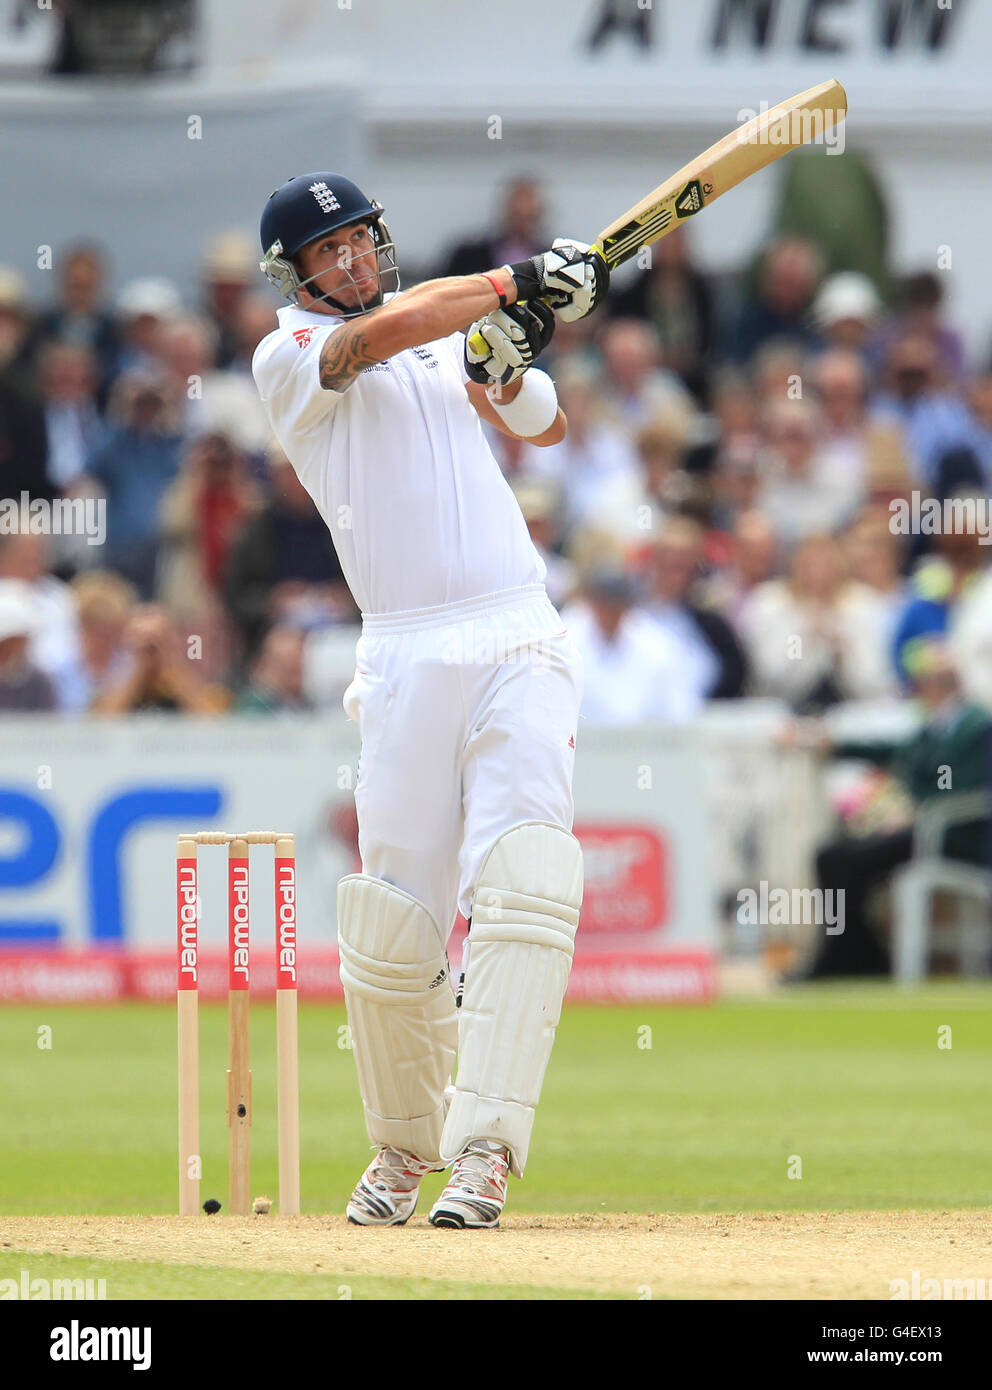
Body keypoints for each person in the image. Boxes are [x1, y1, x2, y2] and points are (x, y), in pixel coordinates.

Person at [252, 170, 608, 1229]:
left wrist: (506, 362)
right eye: (332, 250)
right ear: (295, 273)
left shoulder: (440, 327)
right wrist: (511, 281)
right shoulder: (290, 358)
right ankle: (404, 1149)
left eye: (364, 237)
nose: (357, 259)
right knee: (392, 918)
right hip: (404, 654)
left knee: (525, 876)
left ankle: (487, 1150)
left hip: (517, 630)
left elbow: (539, 427)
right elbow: (381, 334)